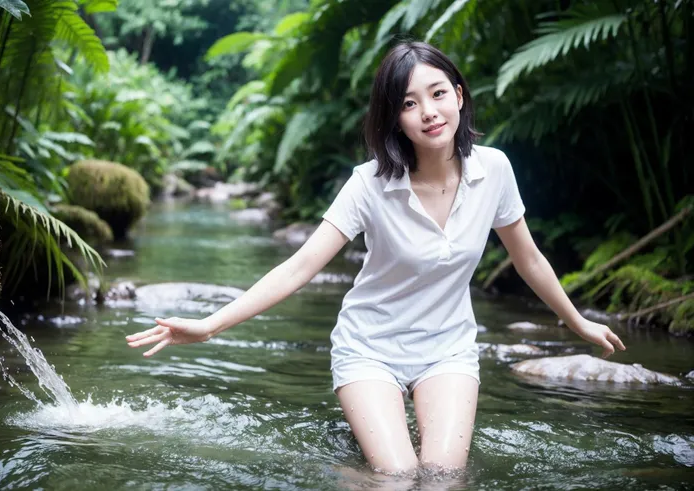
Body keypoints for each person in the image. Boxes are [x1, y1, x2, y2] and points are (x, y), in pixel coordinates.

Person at [126, 41, 626, 475]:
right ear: (395, 119)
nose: (429, 112)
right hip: (370, 347)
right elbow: (299, 266)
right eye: (410, 103)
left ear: (459, 95)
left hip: (447, 347)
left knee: (441, 478)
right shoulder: (369, 185)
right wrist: (209, 326)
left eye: (437, 93)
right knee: (396, 476)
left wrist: (578, 322)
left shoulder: (493, 170)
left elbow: (529, 258)